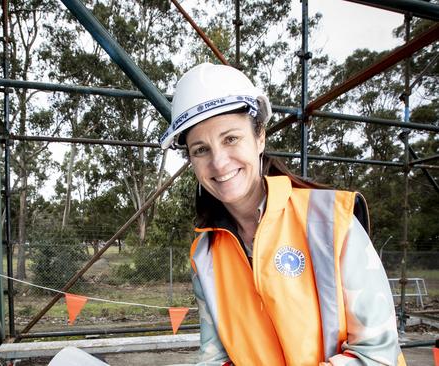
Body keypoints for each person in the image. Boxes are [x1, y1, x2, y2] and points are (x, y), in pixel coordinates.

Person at [159, 63, 405, 366]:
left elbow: (378, 356)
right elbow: (216, 357)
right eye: (200, 150)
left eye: (231, 139)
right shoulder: (205, 254)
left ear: (259, 138)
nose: (219, 163)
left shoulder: (331, 220)